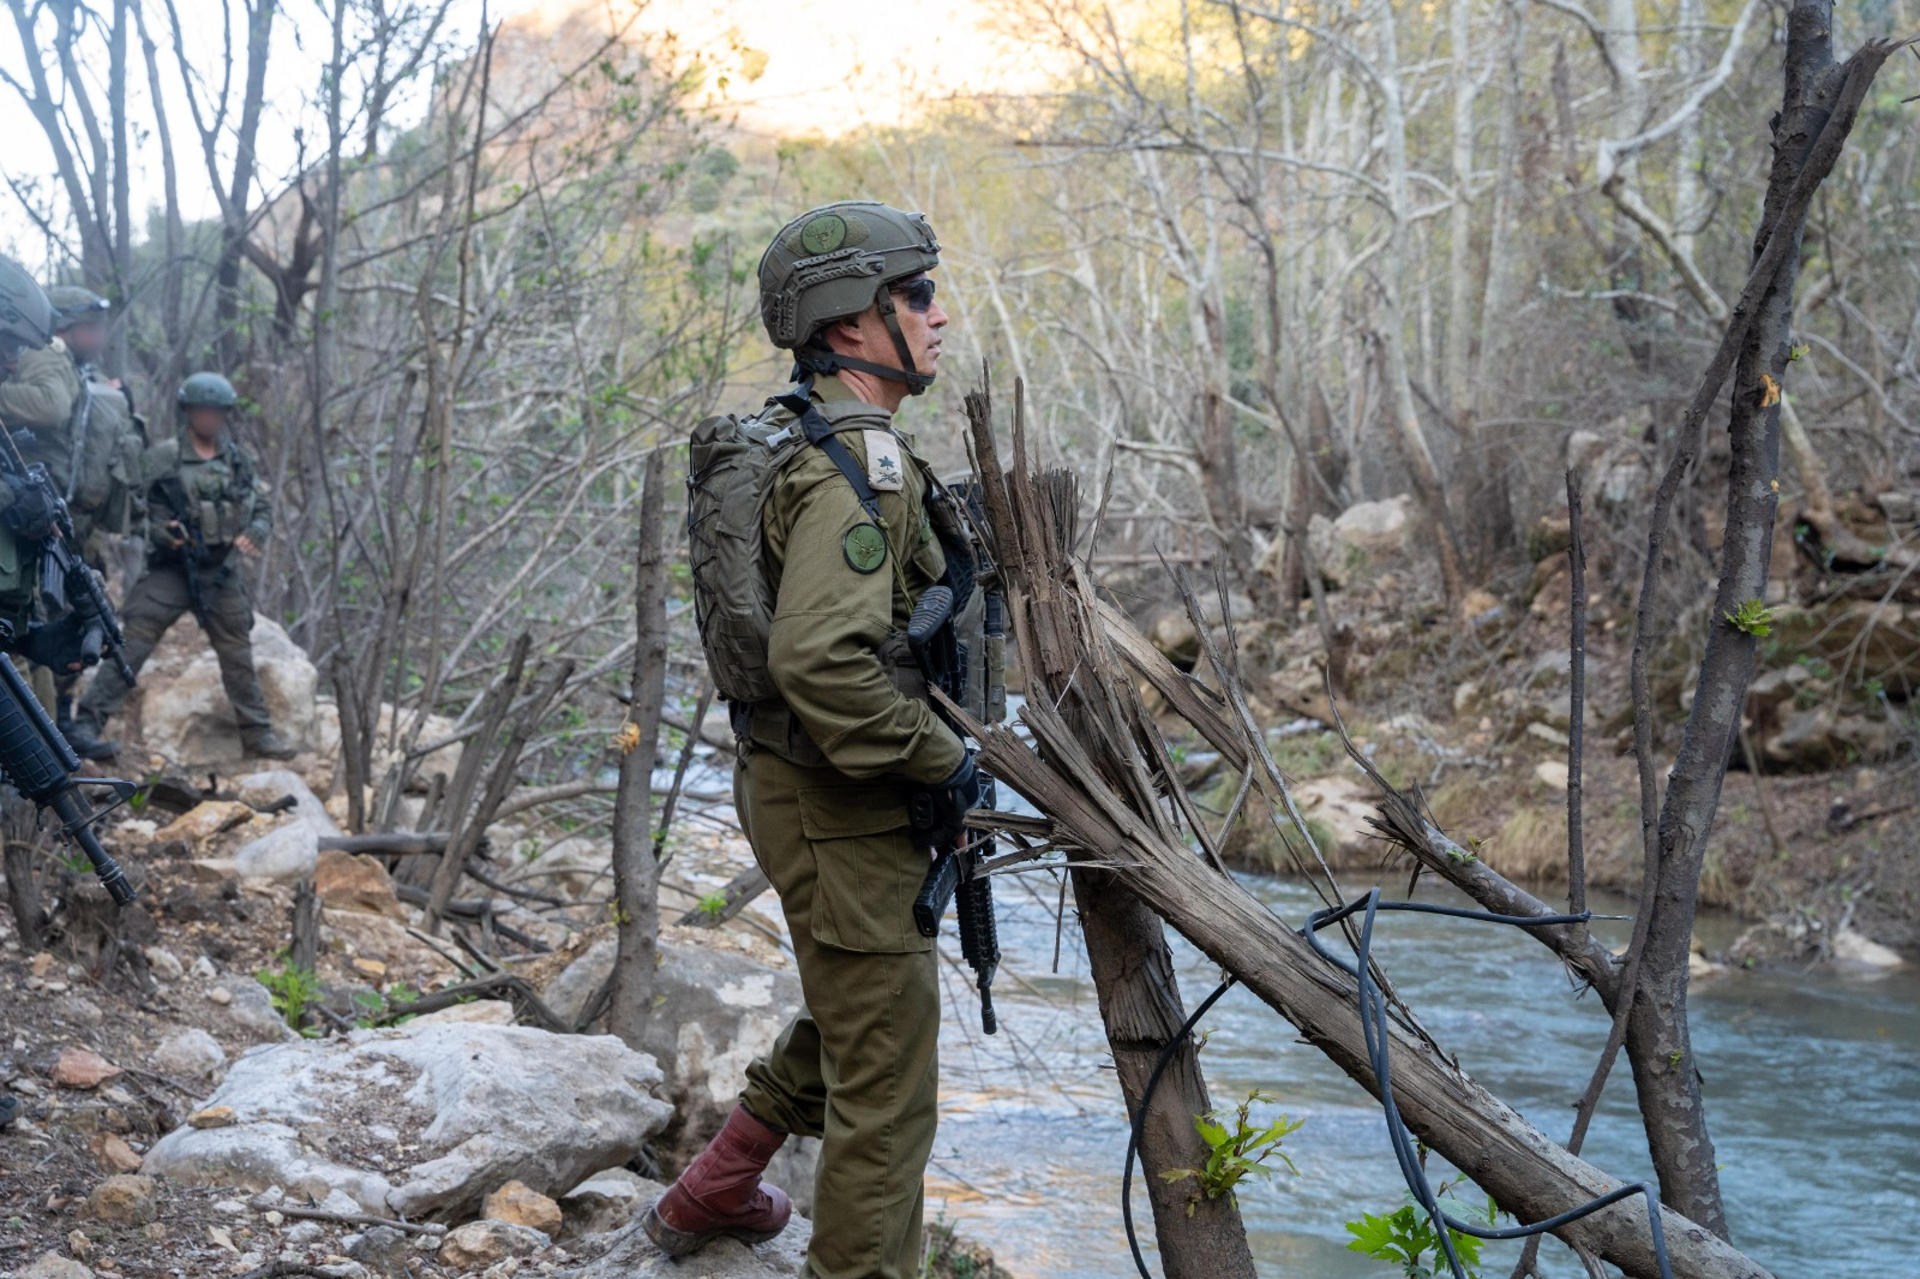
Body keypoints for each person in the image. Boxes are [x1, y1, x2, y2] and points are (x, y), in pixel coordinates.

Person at [647, 201, 985, 1279]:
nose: (938, 314)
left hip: (812, 786)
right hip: (839, 798)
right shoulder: (858, 467)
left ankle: (719, 1184)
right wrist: (946, 760)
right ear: (851, 322)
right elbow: (823, 662)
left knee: (867, 1009)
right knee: (888, 1099)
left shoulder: (823, 442)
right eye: (918, 294)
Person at [64, 372, 296, 761]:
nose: (209, 418)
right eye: (202, 410)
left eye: (216, 412)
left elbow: (260, 506)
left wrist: (255, 530)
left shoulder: (236, 460)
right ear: (188, 412)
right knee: (132, 643)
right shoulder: (165, 457)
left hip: (219, 571)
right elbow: (131, 505)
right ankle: (87, 722)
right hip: (171, 569)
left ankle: (257, 735)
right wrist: (159, 532)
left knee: (237, 652)